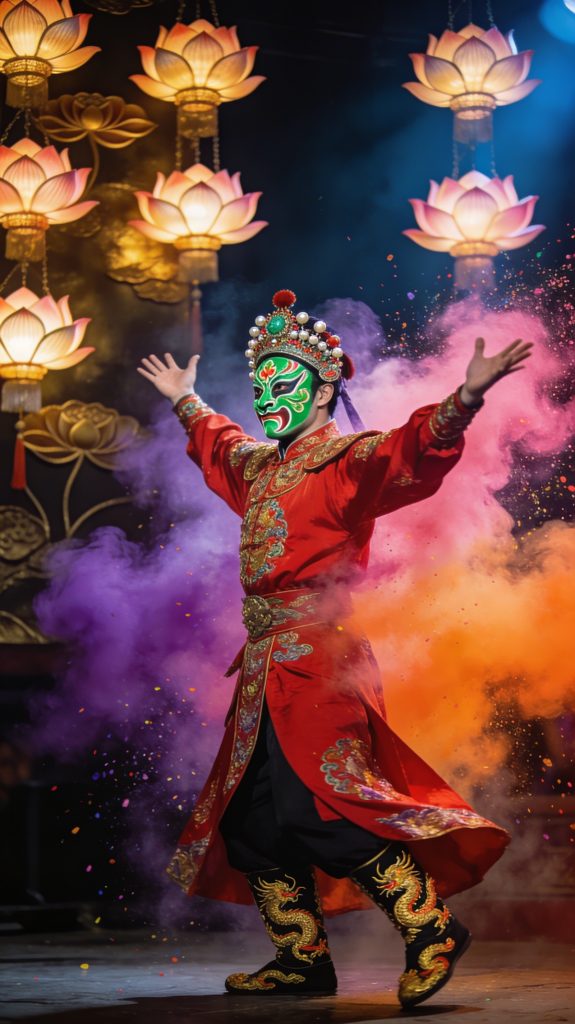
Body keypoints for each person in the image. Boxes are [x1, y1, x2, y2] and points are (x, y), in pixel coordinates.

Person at [138, 289, 530, 1008]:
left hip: (320, 660)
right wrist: (185, 400)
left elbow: (410, 450)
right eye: (260, 387)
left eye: (284, 384)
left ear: (323, 390)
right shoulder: (261, 467)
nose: (268, 399)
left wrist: (464, 400)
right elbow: (219, 445)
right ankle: (301, 959)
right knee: (249, 819)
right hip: (264, 667)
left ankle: (431, 928)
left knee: (321, 804)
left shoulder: (348, 460)